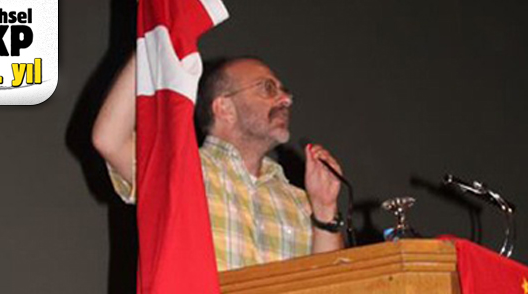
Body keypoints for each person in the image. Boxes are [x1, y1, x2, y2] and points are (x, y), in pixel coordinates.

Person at [92, 55, 345, 271]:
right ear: (225, 108)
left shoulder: (299, 201)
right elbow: (110, 140)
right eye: (267, 88)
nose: (285, 100)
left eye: (284, 91)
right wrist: (153, 38)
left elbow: (328, 289)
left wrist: (324, 209)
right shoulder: (179, 171)